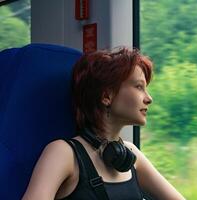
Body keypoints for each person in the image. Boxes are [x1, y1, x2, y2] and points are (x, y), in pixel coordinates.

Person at [22, 47, 185, 200]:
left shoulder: (131, 154)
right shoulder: (63, 153)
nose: (149, 98)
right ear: (106, 96)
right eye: (139, 87)